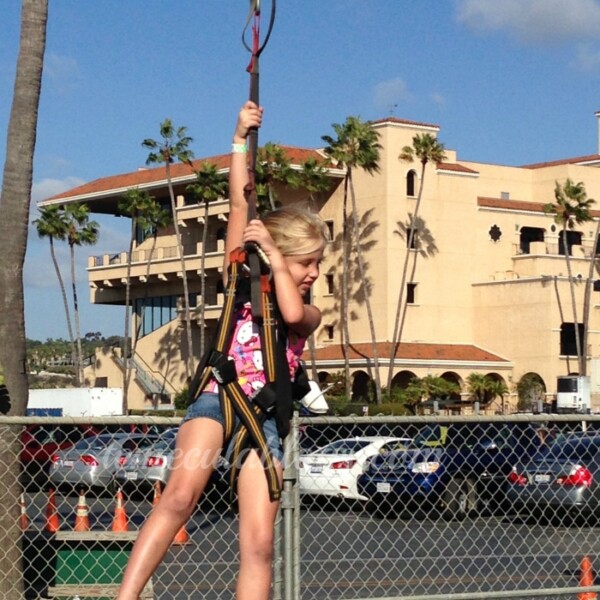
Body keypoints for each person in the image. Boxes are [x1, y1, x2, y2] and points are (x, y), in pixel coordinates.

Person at [117, 100, 328, 600]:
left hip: (266, 422)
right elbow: (240, 203)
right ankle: (124, 597)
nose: (315, 273)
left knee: (258, 544)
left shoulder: (307, 313)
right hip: (218, 400)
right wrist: (239, 137)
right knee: (179, 497)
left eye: (317, 264)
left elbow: (295, 314)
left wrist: (280, 262)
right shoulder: (243, 278)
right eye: (308, 263)